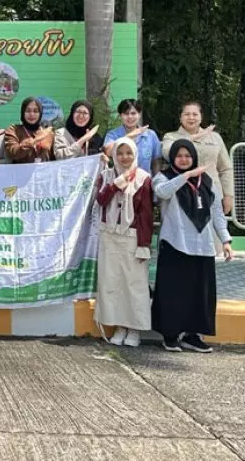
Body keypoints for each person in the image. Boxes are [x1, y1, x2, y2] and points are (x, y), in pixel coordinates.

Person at [151, 139, 234, 353]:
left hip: (202, 246)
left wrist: (225, 240)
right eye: (179, 156)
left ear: (194, 157)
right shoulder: (164, 177)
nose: (184, 159)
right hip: (175, 243)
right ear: (172, 158)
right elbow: (162, 193)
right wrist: (185, 176)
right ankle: (170, 335)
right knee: (173, 292)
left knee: (199, 293)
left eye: (188, 156)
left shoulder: (206, 181)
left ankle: (192, 335)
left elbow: (216, 213)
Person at [94, 138, 153, 347]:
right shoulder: (106, 176)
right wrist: (115, 185)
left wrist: (144, 244)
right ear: (114, 155)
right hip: (109, 234)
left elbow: (146, 213)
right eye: (120, 153)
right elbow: (100, 201)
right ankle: (118, 326)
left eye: (129, 153)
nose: (124, 157)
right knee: (111, 283)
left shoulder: (144, 179)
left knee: (133, 284)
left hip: (132, 236)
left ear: (135, 154)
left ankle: (135, 329)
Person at [161, 101, 234, 215]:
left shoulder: (215, 138)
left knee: (214, 231)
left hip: (212, 193)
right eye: (187, 114)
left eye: (195, 114)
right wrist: (193, 137)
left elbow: (226, 169)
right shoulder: (170, 137)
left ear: (201, 117)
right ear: (180, 117)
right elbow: (168, 153)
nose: (191, 117)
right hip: (182, 194)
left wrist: (228, 195)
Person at [103, 99, 162, 174]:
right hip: (120, 182)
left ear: (139, 114)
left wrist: (155, 181)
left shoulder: (150, 135)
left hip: (145, 183)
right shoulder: (113, 134)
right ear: (120, 115)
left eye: (133, 113)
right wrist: (130, 136)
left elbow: (156, 160)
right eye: (126, 113)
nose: (130, 117)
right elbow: (108, 152)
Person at [3, 97, 54, 163]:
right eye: (28, 111)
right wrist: (36, 140)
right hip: (20, 172)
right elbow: (13, 153)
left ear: (40, 113)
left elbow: (55, 159)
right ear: (23, 112)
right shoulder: (13, 130)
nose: (32, 114)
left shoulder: (48, 133)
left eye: (35, 111)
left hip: (44, 172)